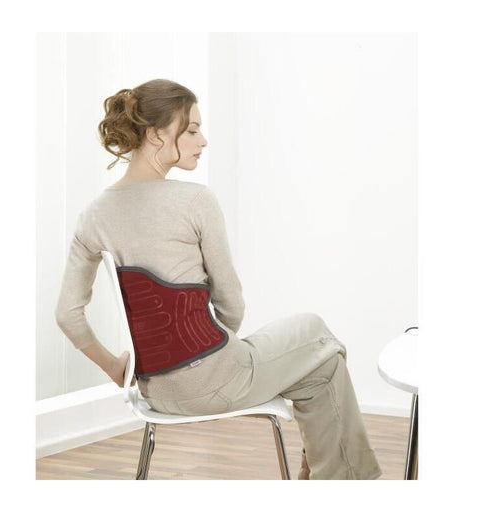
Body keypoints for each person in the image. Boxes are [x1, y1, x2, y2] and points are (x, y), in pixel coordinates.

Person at [55, 78, 382, 480]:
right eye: (191, 130)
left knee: (322, 370)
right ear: (155, 134)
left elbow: (67, 315)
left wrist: (114, 368)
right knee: (317, 333)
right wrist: (208, 355)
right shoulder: (195, 200)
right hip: (215, 380)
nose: (203, 140)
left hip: (156, 391)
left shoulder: (94, 215)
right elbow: (232, 306)